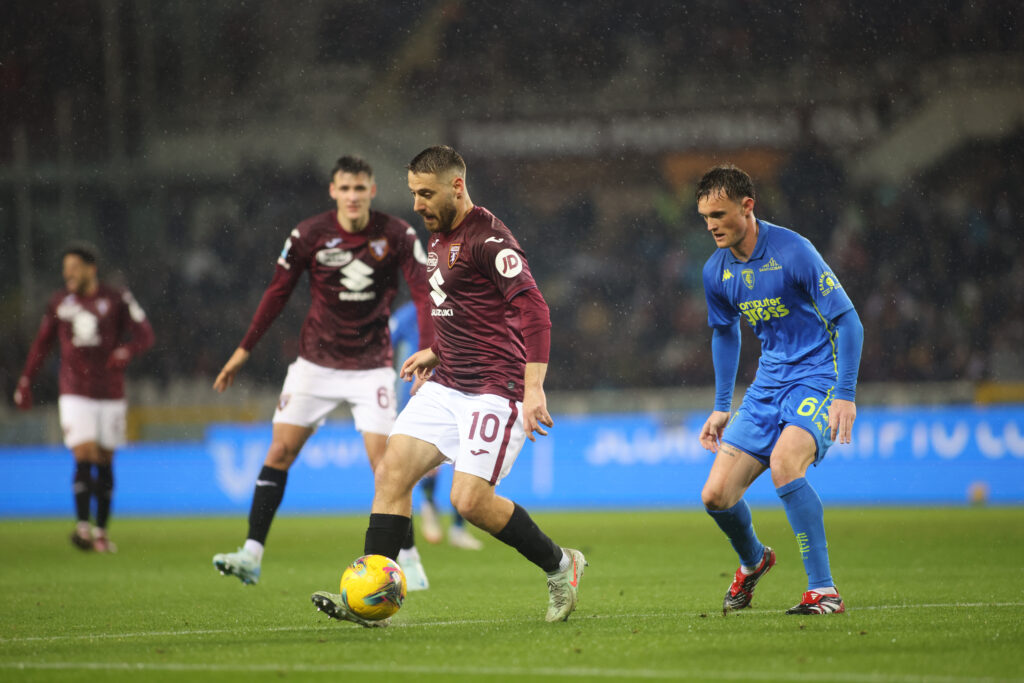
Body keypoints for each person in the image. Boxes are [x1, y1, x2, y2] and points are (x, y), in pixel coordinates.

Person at [311, 145, 586, 627]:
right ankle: (372, 601)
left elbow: (534, 309)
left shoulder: (490, 240)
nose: (416, 204)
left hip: (495, 389)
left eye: (425, 193)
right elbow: (473, 308)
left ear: (457, 187)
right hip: (447, 382)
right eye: (413, 193)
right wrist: (436, 351)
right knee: (391, 475)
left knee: (469, 502)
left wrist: (534, 388)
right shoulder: (439, 235)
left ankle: (562, 565)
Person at [211, 155, 434, 589]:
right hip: (314, 363)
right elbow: (278, 291)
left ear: (371, 190)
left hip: (371, 368)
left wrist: (428, 349)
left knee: (387, 466)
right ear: (333, 192)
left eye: (360, 188)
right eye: (344, 189)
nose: (352, 196)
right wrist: (244, 349)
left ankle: (407, 559)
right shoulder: (309, 235)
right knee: (279, 452)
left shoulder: (397, 234)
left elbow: (423, 293)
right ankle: (251, 555)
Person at [695, 164, 863, 615]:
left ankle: (823, 590)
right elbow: (724, 333)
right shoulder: (717, 271)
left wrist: (845, 393)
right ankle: (754, 561)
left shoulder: (794, 251)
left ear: (747, 207)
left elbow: (848, 321)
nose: (711, 225)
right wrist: (720, 406)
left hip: (818, 376)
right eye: (704, 217)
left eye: (719, 214)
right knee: (716, 497)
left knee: (787, 463)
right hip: (767, 384)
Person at [13, 243, 155, 553]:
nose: (68, 275)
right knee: (84, 452)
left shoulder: (117, 298)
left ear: (91, 268)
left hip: (111, 392)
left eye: (74, 269)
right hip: (75, 390)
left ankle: (101, 532)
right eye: (66, 270)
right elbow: (42, 344)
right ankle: (82, 527)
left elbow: (145, 334)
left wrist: (126, 350)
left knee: (104, 459)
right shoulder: (60, 303)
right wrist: (26, 381)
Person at [389, 300, 484, 551]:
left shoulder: (460, 306)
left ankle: (457, 528)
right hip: (418, 392)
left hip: (462, 390)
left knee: (466, 462)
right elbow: (386, 344)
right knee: (430, 462)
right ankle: (429, 504)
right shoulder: (409, 313)